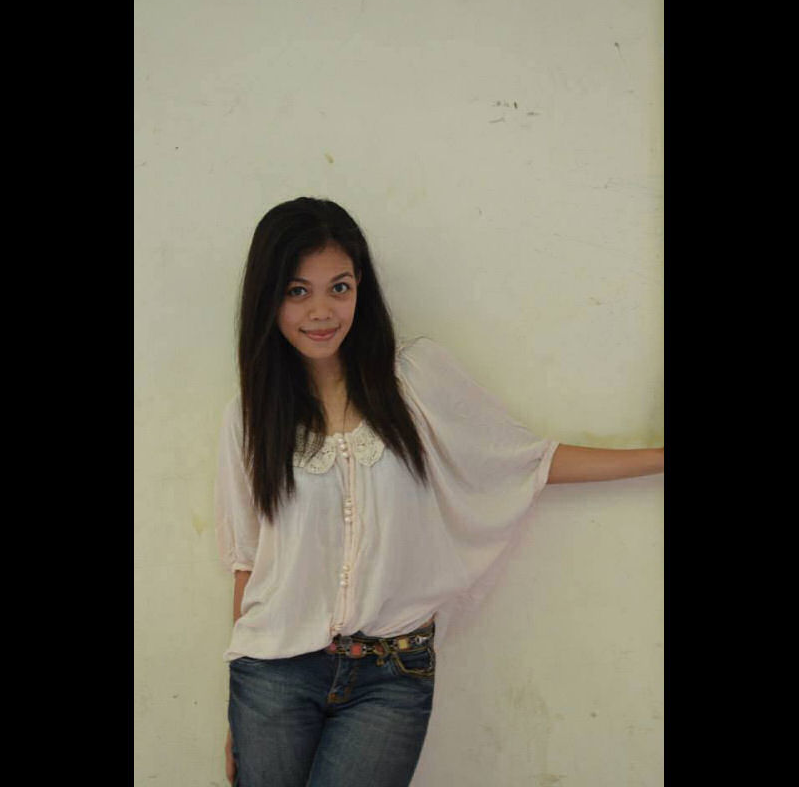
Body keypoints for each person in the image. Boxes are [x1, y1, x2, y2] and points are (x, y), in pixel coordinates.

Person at [215, 197, 664, 786]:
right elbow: (248, 563)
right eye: (297, 291)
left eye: (339, 287)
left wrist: (657, 459)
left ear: (360, 288)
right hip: (272, 675)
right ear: (268, 297)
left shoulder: (415, 380)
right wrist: (236, 710)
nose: (321, 311)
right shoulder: (249, 417)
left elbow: (524, 461)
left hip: (391, 677)